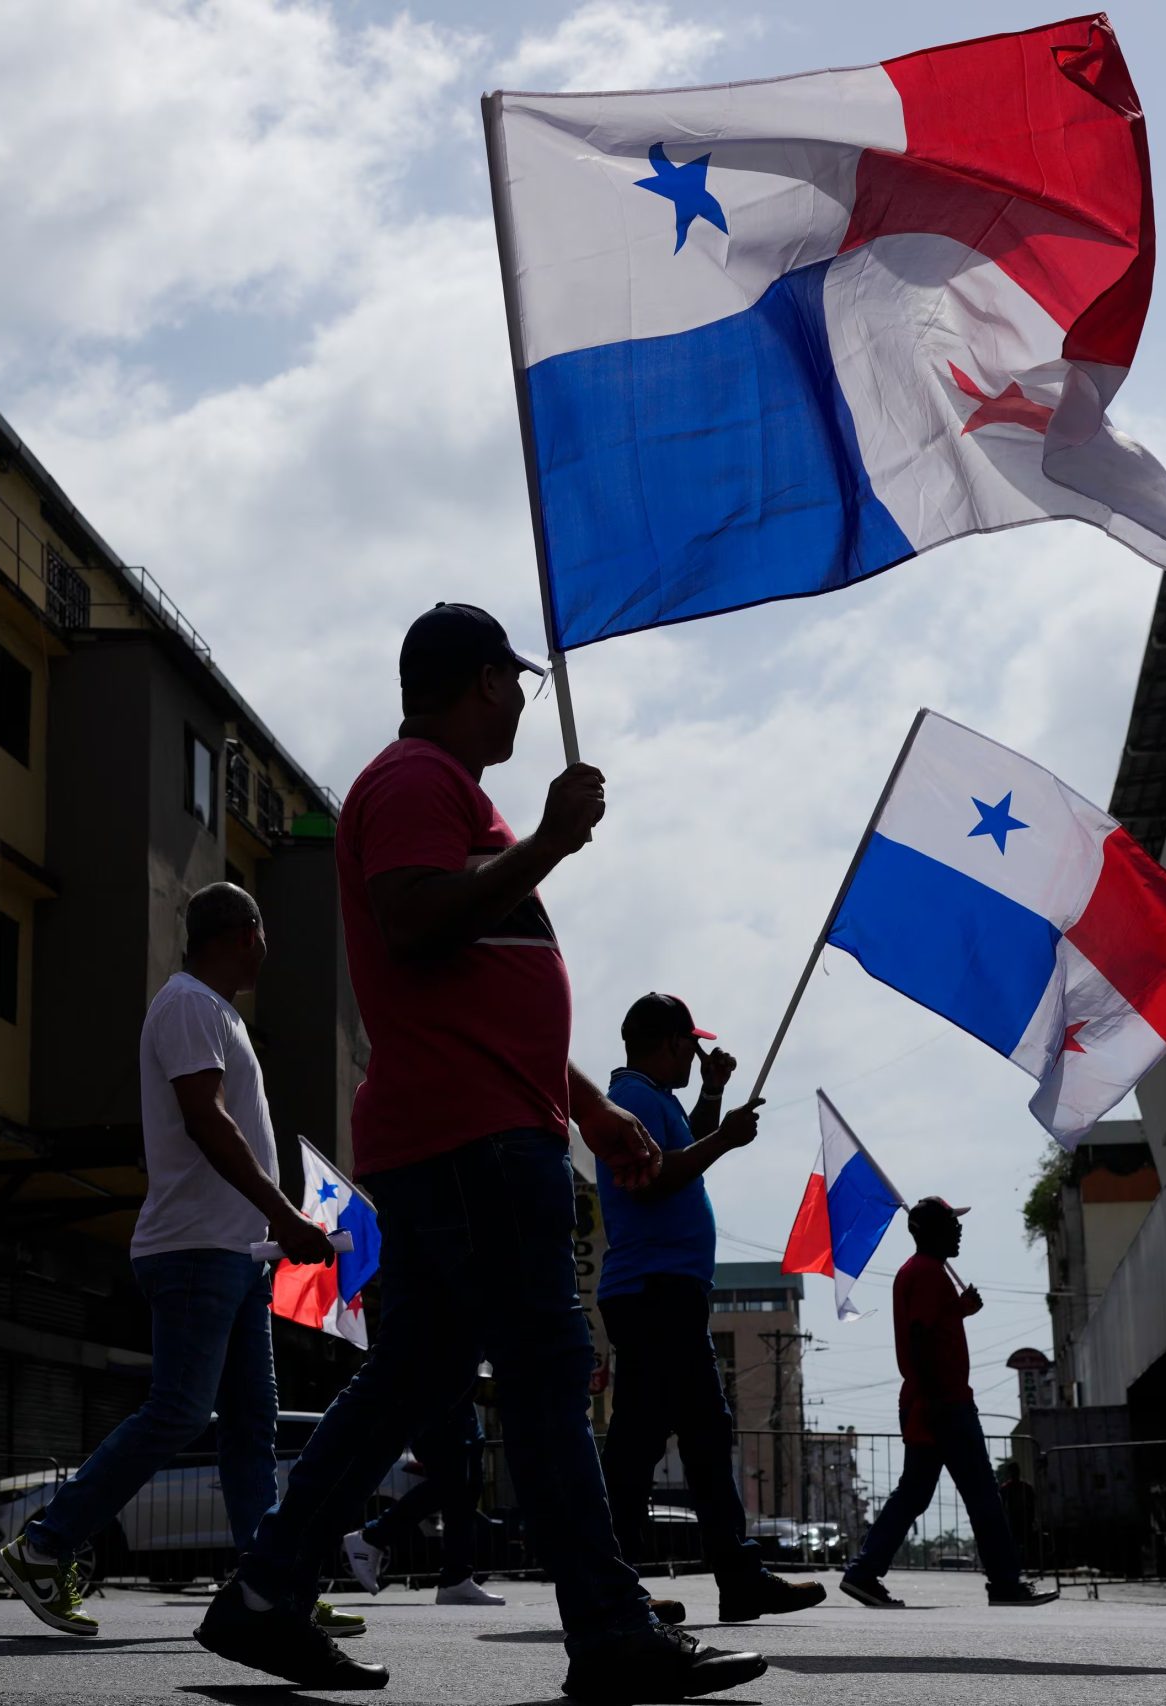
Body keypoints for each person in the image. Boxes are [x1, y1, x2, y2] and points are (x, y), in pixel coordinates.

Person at [196, 604, 765, 1700]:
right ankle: (607, 1628)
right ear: (477, 682)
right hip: (472, 1142)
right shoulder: (417, 778)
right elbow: (415, 921)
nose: (519, 699)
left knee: (408, 1378)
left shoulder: (446, 791)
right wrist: (549, 842)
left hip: (467, 1128)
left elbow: (484, 987)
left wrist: (590, 1108)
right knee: (548, 1369)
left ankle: (265, 1593)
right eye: (514, 679)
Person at [0, 883, 346, 1639]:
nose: (268, 949)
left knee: (251, 1425)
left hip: (235, 1254)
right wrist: (286, 1215)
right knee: (181, 1412)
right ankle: (45, 1545)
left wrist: (273, 1226)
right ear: (245, 933)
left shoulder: (217, 1013)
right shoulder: (188, 1004)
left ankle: (268, 1583)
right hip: (195, 1250)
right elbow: (204, 1117)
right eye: (264, 934)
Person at [594, 991, 820, 1623]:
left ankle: (624, 1584)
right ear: (670, 1044)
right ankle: (722, 1577)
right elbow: (660, 1173)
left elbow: (678, 1153)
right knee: (693, 1433)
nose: (698, 1058)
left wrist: (715, 1103)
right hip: (656, 1291)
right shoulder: (634, 1098)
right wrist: (724, 1139)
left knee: (656, 1439)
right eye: (693, 1048)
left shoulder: (648, 1098)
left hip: (658, 1291)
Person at [840, 1198, 1052, 1610]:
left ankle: (864, 1572)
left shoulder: (920, 1273)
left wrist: (958, 1310)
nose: (959, 1230)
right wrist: (937, 1399)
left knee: (915, 1494)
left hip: (930, 1402)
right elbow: (921, 1338)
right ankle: (1006, 1583)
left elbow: (930, 1328)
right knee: (982, 1494)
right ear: (930, 1231)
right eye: (952, 1224)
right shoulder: (927, 1273)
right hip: (944, 1404)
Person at [342, 1399, 503, 1604]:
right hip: (437, 1395)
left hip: (460, 1396)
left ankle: (456, 1578)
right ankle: (373, 1536)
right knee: (450, 1481)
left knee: (467, 1487)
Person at [999, 1461, 1041, 1570]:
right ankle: (1021, 1565)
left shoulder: (1023, 1487)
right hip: (1016, 1519)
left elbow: (1032, 1504)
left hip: (1021, 1519)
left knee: (1023, 1544)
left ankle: (1025, 1565)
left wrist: (1032, 1518)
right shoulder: (1017, 1487)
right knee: (1018, 1544)